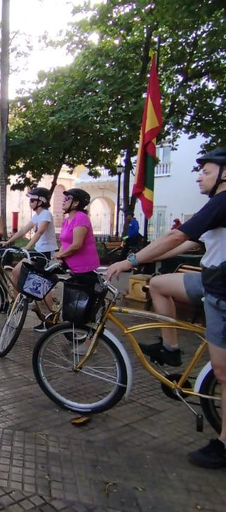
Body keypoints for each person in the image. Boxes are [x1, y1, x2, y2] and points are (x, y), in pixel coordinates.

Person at [107, 147, 226, 469]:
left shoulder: (223, 199)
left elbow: (175, 236)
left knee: (222, 373)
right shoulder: (216, 205)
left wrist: (130, 261)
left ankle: (224, 444)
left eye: (206, 170)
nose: (199, 175)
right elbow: (189, 241)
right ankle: (171, 348)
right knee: (159, 285)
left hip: (223, 295)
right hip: (210, 283)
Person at [0, 187, 60, 330]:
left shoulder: (45, 214)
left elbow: (39, 232)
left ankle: (48, 319)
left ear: (41, 201)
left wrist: (26, 248)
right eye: (30, 200)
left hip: (46, 253)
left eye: (32, 200)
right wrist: (8, 242)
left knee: (43, 285)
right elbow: (22, 231)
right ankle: (18, 303)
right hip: (38, 251)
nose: (30, 203)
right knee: (16, 272)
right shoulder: (37, 216)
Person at [53, 188, 101, 285]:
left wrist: (60, 255)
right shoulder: (67, 220)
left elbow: (77, 245)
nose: (63, 201)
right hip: (71, 266)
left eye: (67, 198)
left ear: (76, 203)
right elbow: (65, 243)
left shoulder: (81, 217)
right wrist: (60, 256)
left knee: (82, 297)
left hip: (83, 266)